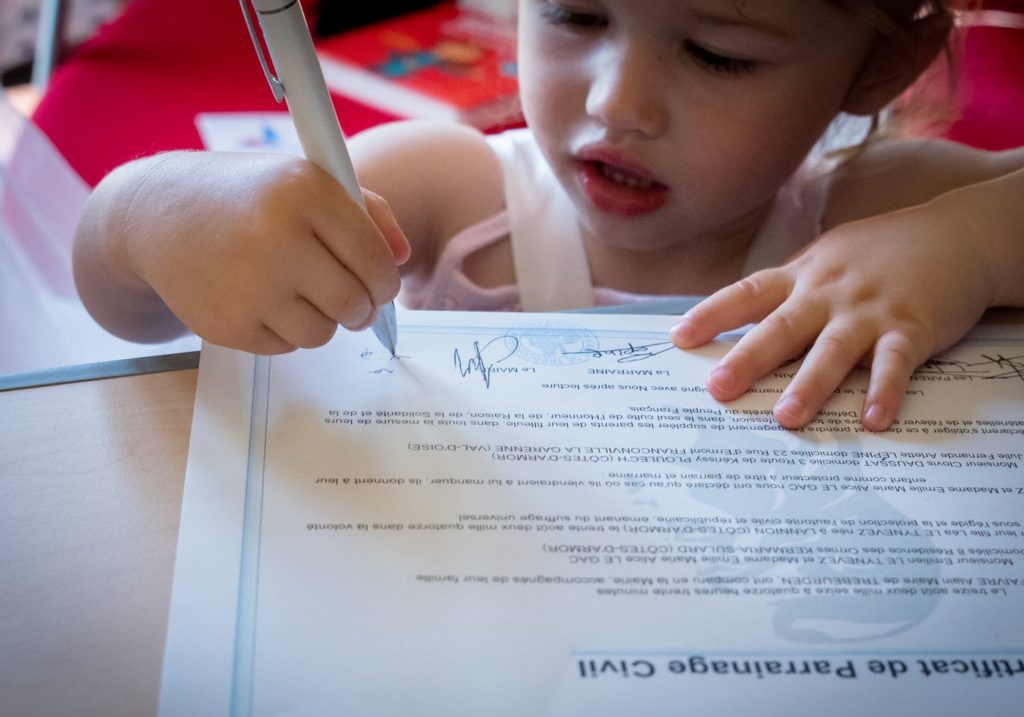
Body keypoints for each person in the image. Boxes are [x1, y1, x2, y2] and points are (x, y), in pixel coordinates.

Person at [73, 0, 1024, 431]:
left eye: (718, 55)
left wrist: (967, 245)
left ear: (875, 67)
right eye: (575, 15)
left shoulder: (881, 213)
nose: (619, 103)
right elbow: (129, 308)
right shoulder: (443, 192)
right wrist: (145, 216)